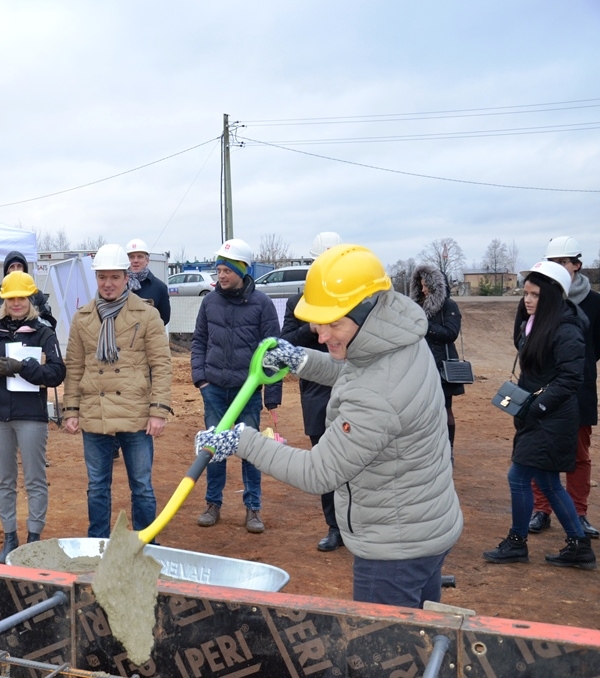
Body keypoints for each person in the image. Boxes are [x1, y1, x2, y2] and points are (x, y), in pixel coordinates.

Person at [196, 244, 463, 608]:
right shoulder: (398, 339)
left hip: (394, 548)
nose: (321, 334)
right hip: (424, 523)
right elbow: (357, 370)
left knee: (383, 656)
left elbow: (319, 472)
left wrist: (242, 441)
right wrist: (300, 360)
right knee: (421, 642)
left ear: (368, 311)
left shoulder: (377, 394)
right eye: (318, 322)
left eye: (334, 323)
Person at [483, 260, 595, 569]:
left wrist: (538, 406)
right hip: (537, 416)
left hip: (553, 418)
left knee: (518, 477)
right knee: (548, 483)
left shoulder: (567, 329)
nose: (527, 300)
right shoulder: (534, 324)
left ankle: (517, 543)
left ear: (552, 296)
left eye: (534, 295)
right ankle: (579, 546)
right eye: (526, 294)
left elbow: (572, 379)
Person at [63, 244, 173, 538]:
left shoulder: (147, 315)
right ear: (96, 279)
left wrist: (158, 411)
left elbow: (161, 364)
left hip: (135, 413)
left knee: (141, 485)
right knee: (97, 485)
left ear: (127, 277)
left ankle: (144, 543)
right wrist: (71, 410)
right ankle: (97, 545)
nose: (108, 284)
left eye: (114, 277)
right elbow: (74, 367)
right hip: (94, 413)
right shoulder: (83, 318)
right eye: (102, 277)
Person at [0, 271, 66, 562]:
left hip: (31, 417)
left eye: (21, 298)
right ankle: (10, 536)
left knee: (35, 479)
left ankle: (34, 537)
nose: (16, 303)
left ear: (31, 300)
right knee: (5, 479)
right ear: (3, 301)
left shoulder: (44, 333)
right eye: (11, 298)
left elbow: (56, 373)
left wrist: (25, 368)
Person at [191, 238, 281, 534]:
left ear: (242, 270)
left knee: (251, 451)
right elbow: (199, 342)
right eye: (218, 270)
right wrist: (201, 379)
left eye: (227, 270)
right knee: (213, 449)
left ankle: (253, 509)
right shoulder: (209, 301)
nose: (221, 276)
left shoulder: (262, 304)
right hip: (214, 389)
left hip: (248, 393)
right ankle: (212, 504)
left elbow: (274, 353)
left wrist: (272, 396)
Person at [527, 236, 600, 539]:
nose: (557, 268)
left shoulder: (595, 303)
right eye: (552, 262)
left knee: (578, 454)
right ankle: (540, 510)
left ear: (577, 265)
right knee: (536, 451)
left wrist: (574, 362)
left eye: (563, 262)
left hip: (578, 388)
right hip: (541, 387)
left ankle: (578, 512)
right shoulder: (537, 298)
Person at [280, 231, 342, 551]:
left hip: (352, 389)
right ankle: (335, 526)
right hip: (317, 392)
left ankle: (360, 525)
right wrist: (314, 325)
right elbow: (288, 344)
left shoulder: (354, 300)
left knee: (361, 461)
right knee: (326, 462)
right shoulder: (297, 303)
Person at [409, 264, 464, 459]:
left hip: (442, 367)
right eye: (421, 286)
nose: (423, 290)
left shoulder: (449, 305)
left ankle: (448, 450)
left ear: (436, 286)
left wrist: (425, 325)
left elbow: (451, 334)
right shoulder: (418, 306)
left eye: (427, 286)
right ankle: (429, 449)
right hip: (420, 366)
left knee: (444, 409)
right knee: (422, 409)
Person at [0, 250, 55, 339]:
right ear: (6, 271)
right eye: (12, 267)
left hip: (31, 347)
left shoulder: (35, 293)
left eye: (19, 266)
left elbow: (47, 323)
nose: (15, 270)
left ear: (24, 270)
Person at [126, 238, 171, 325]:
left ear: (147, 261)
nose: (135, 261)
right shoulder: (119, 286)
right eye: (131, 257)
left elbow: (164, 319)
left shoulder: (159, 288)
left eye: (140, 256)